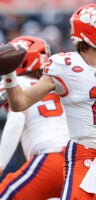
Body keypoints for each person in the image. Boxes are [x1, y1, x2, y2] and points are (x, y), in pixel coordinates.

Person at [2, 3, 96, 200]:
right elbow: (20, 103)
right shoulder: (63, 65)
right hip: (83, 156)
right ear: (89, 31)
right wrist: (9, 74)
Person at [0, 36, 70, 200]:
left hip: (50, 158)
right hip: (80, 162)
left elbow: (16, 120)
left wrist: (1, 164)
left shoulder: (19, 84)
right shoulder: (57, 86)